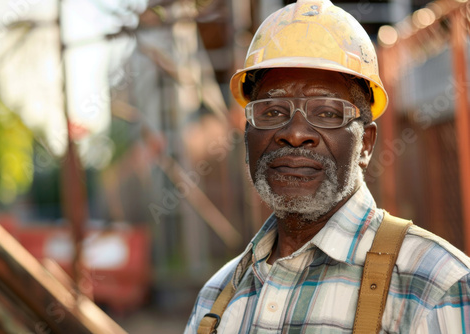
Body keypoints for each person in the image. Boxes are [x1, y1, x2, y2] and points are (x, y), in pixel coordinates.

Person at [185, 0, 470, 333]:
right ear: (248, 135)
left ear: (365, 144)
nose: (294, 133)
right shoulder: (216, 298)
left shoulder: (436, 289)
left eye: (327, 113)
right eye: (272, 111)